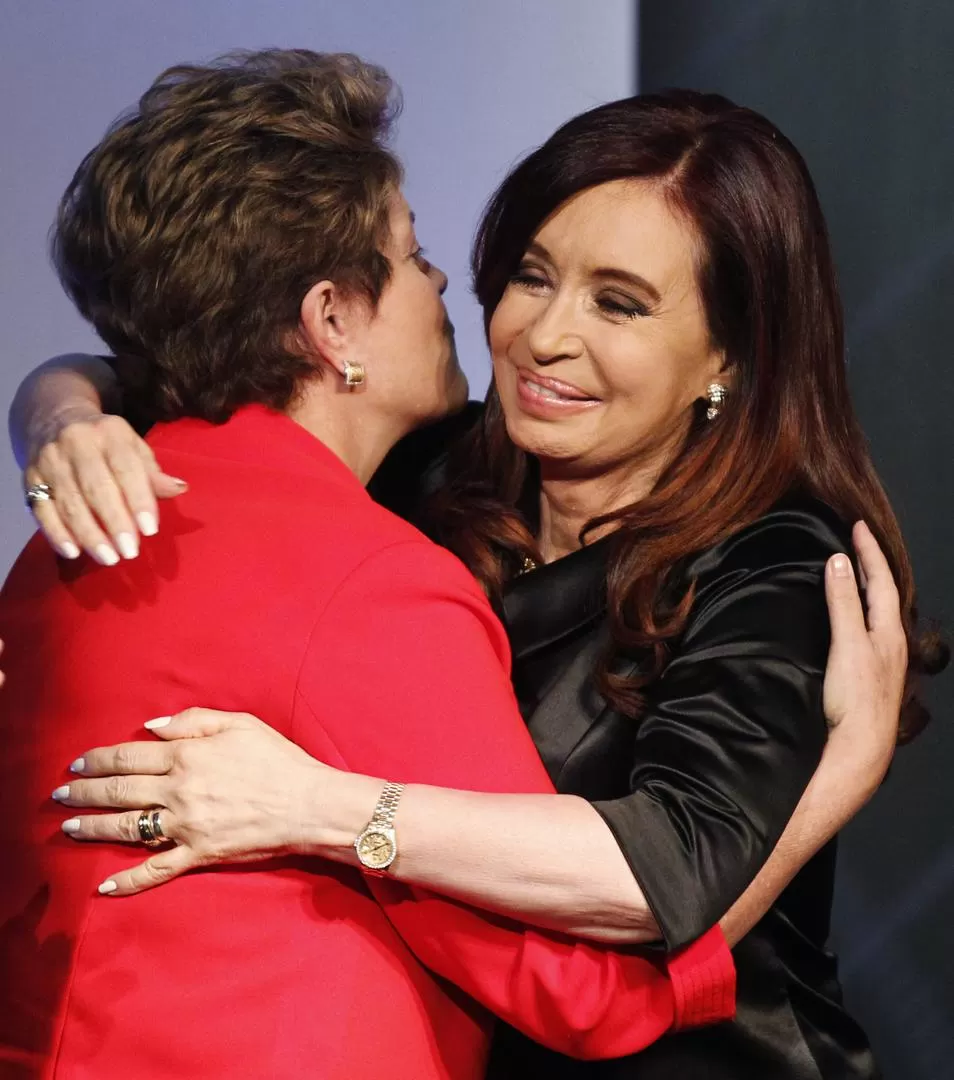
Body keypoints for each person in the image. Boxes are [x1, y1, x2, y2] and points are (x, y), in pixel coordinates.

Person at [7, 82, 938, 1079]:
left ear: (728, 354)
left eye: (617, 304)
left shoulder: (776, 565)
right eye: (533, 277)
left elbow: (660, 869)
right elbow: (186, 353)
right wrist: (60, 417)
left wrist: (317, 806)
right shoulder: (435, 471)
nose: (543, 336)